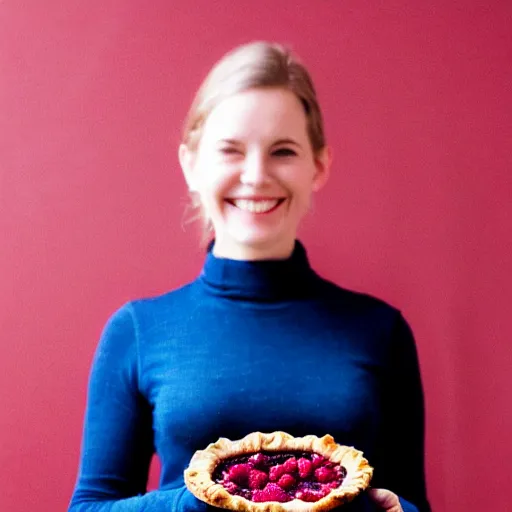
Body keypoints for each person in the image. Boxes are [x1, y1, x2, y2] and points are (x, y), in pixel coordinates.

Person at [69, 42, 431, 512]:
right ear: (191, 165)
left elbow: (413, 503)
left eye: (282, 151)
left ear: (318, 166)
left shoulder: (380, 331)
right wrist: (195, 504)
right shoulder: (138, 331)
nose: (256, 176)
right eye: (231, 151)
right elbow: (88, 508)